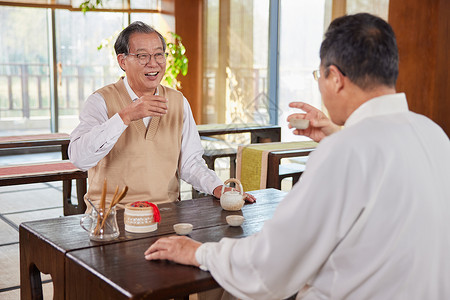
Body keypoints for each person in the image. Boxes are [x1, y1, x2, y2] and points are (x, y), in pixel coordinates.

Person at [144, 13, 450, 299]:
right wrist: (338, 135)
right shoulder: (433, 134)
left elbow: (272, 263)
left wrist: (197, 252)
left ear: (335, 77)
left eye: (319, 74)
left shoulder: (344, 152)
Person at [69, 21, 255, 208]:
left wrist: (218, 188)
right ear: (122, 61)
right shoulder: (100, 100)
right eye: (142, 56)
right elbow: (80, 159)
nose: (153, 63)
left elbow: (190, 163)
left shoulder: (177, 101)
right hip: (110, 218)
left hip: (166, 213)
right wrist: (125, 116)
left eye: (159, 54)